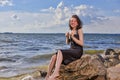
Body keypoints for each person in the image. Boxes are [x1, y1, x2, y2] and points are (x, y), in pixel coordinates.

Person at [45, 14, 84, 80]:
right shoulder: (70, 31)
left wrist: (72, 37)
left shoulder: (79, 30)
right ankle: (47, 76)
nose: (72, 22)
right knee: (54, 56)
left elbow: (81, 43)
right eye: (71, 21)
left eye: (74, 21)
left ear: (77, 23)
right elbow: (68, 43)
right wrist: (67, 37)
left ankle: (56, 73)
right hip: (72, 50)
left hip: (78, 51)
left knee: (60, 51)